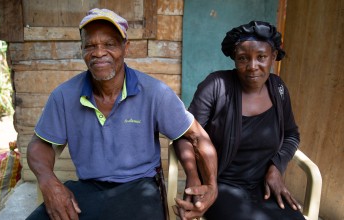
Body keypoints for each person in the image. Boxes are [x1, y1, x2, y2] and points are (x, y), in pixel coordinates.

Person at [26, 8, 217, 220]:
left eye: (109, 44)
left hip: (139, 190)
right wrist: (48, 182)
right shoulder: (64, 95)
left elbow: (195, 136)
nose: (99, 52)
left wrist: (209, 184)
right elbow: (39, 144)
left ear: (126, 47)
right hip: (88, 190)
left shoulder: (155, 92)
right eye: (90, 45)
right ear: (81, 49)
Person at [173, 21, 305, 220]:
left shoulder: (278, 89)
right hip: (220, 185)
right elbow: (184, 135)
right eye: (243, 58)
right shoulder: (216, 86)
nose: (252, 66)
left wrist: (276, 168)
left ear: (274, 57)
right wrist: (193, 177)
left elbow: (291, 135)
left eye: (261, 57)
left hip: (265, 186)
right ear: (234, 58)